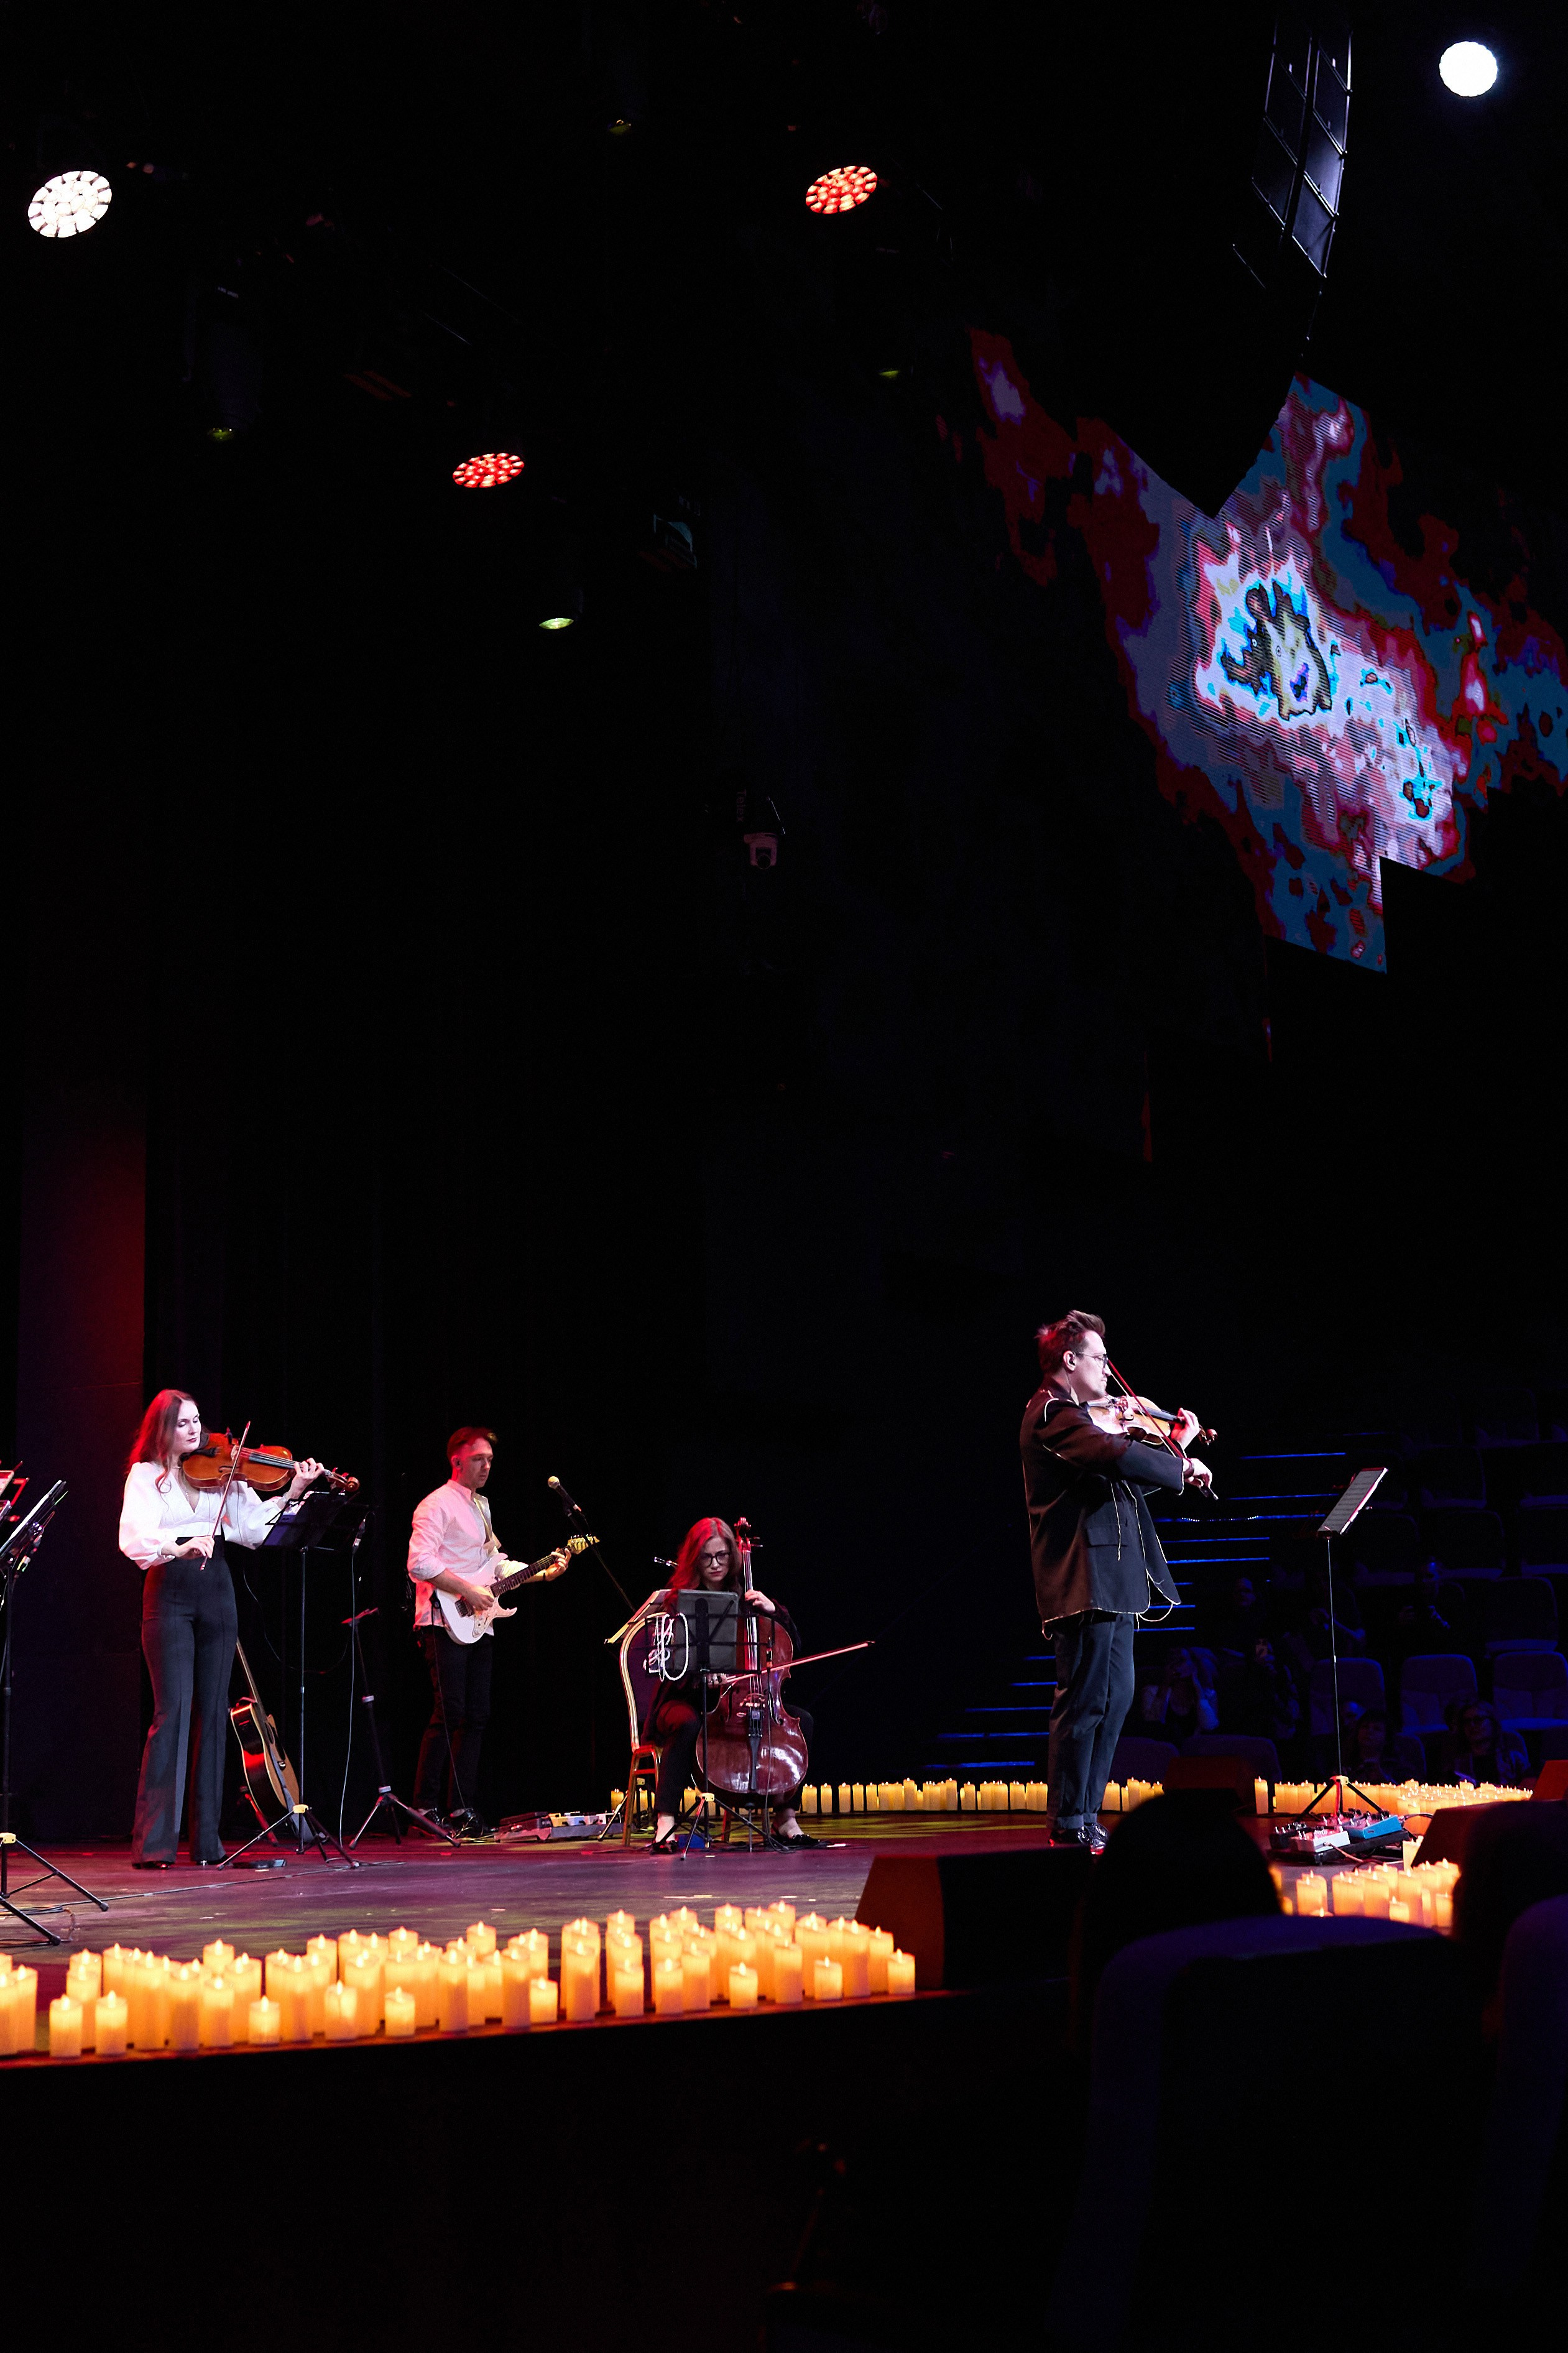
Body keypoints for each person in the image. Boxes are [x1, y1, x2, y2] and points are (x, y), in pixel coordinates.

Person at [1020, 1310, 1212, 1851]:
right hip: (1085, 1576)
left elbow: (1121, 1478)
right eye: (1100, 1359)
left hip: (1115, 1577)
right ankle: (1068, 1820)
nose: (1108, 1371)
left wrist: (1176, 1453)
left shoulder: (1084, 1417)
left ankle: (1084, 1814)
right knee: (1086, 1700)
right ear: (1070, 1360)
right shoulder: (1053, 1415)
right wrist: (1177, 1457)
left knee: (1116, 1697)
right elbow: (1112, 1454)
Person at [118, 1389, 324, 1868]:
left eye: (197, 1421)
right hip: (169, 1590)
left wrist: (292, 1493)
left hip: (217, 1592)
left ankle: (207, 1843)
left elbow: (253, 1531)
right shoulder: (147, 1476)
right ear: (162, 1431)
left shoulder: (226, 1474)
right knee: (172, 1712)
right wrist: (181, 1543)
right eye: (184, 1424)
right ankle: (154, 1845)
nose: (196, 1431)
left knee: (213, 1715)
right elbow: (134, 1537)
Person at [408, 1425, 559, 1838]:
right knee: (448, 1713)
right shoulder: (436, 1505)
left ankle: (461, 1808)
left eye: (490, 1460)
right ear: (456, 1460)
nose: (487, 1466)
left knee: (476, 1716)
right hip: (445, 1618)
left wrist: (540, 1573)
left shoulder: (481, 1508)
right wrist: (467, 1592)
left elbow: (497, 1566)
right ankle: (424, 1806)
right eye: (479, 1459)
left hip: (479, 1621)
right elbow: (419, 1563)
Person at [642, 1517, 818, 1852]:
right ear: (695, 1559)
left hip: (735, 1702)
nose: (715, 1565)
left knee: (803, 1722)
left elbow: (790, 1647)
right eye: (707, 1558)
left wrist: (776, 1612)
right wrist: (701, 1675)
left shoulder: (746, 1599)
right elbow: (669, 1663)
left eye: (722, 1556)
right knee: (688, 1722)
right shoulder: (678, 1601)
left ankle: (785, 1816)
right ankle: (665, 1820)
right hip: (685, 1696)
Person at [1219, 1634, 1301, 1749]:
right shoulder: (1245, 1676)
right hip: (1254, 1733)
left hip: (1280, 1733)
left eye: (1270, 1654)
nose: (1268, 1659)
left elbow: (1289, 1708)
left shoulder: (1280, 1672)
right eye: (1262, 1654)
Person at [1137, 1643, 1219, 1745]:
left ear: (1193, 1664)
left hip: (1196, 1750)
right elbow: (1153, 1724)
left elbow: (1210, 1726)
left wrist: (1197, 1688)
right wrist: (1165, 1684)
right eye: (1172, 1661)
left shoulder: (1209, 1695)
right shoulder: (1150, 1692)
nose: (1176, 1665)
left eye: (1181, 1660)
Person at [1442, 1697, 1531, 1788]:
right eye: (1467, 1722)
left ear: (1492, 1723)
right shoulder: (1457, 1765)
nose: (1472, 1726)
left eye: (1478, 1720)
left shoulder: (1513, 1760)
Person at [1340, 1701, 1425, 1782]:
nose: (1369, 1731)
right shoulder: (1347, 1763)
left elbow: (1411, 1790)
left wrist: (1384, 1778)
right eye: (1365, 1727)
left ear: (1386, 1736)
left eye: (1377, 1729)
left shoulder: (1398, 1765)